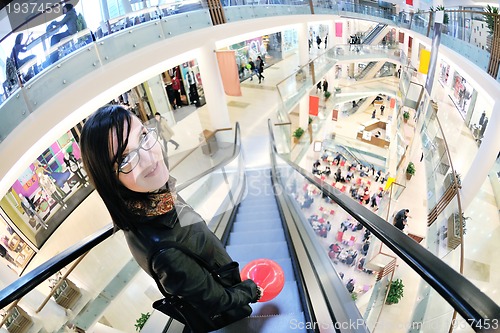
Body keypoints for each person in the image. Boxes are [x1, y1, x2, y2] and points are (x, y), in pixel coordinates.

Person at [80, 106, 261, 329]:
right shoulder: (164, 251)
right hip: (231, 307)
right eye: (125, 158)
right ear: (109, 178)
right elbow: (216, 301)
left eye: (143, 136)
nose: (149, 158)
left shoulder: (156, 196)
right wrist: (251, 290)